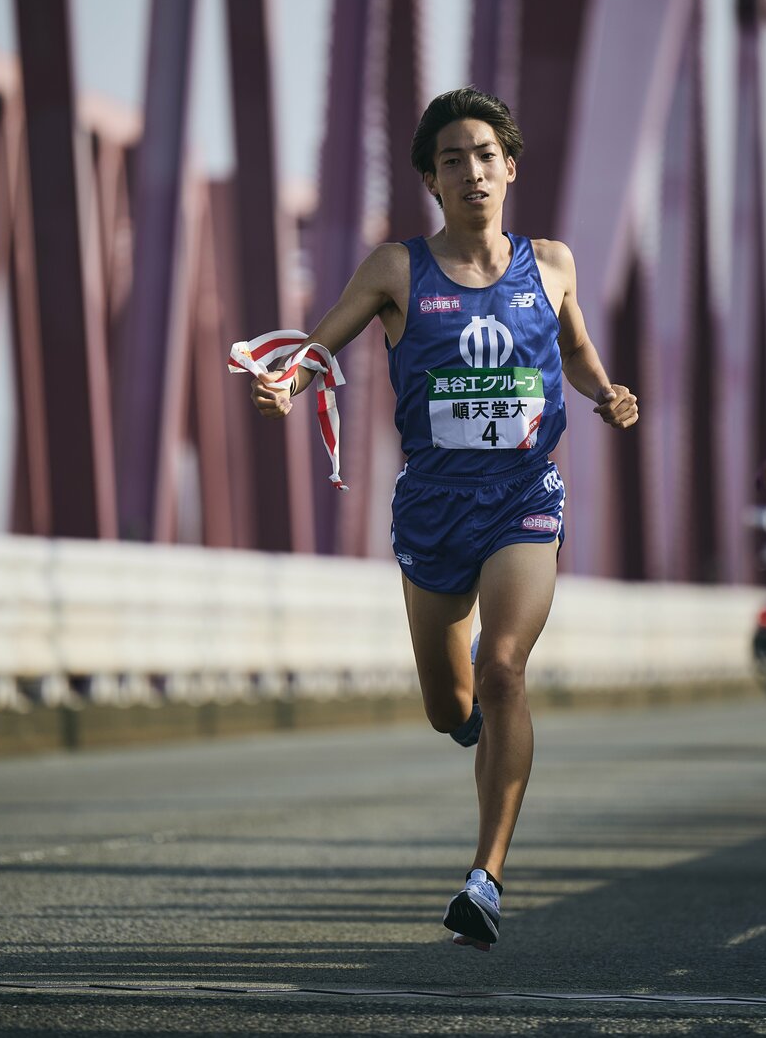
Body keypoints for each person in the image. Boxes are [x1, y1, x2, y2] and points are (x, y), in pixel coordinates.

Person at [249, 87, 637, 950]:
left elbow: (574, 351)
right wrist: (287, 382)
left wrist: (605, 392)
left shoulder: (555, 263)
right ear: (432, 178)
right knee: (448, 703)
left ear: (510, 166)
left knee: (503, 669)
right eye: (452, 158)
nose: (472, 170)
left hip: (524, 499)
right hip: (432, 509)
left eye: (485, 154)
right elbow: (321, 348)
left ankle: (485, 877)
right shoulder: (397, 269)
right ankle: (468, 722)